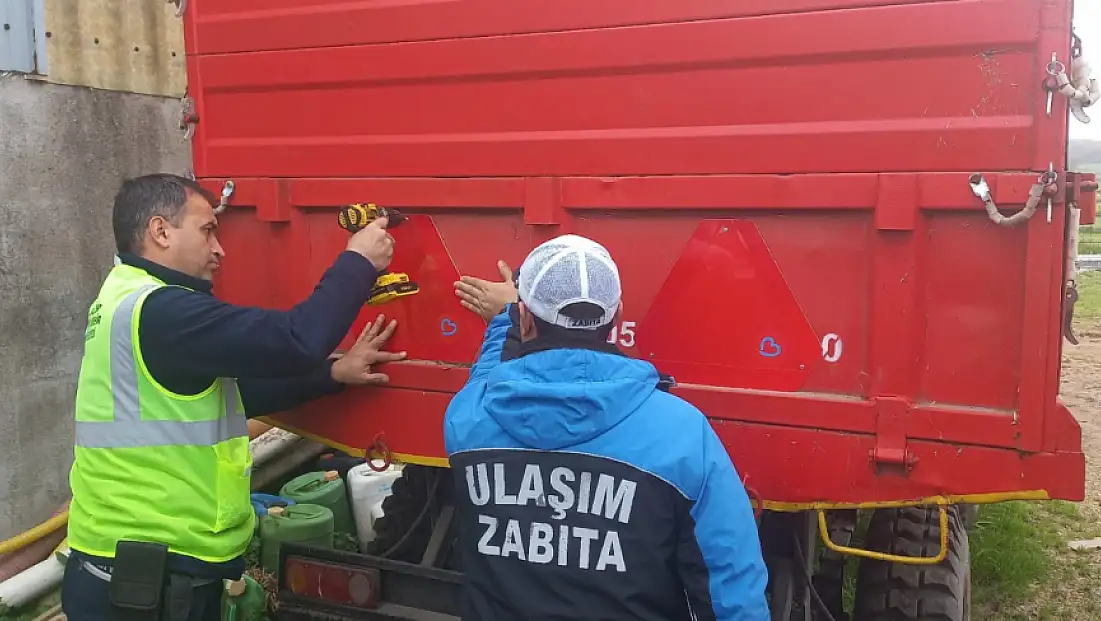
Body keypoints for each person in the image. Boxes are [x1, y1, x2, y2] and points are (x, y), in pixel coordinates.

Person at [63, 173, 407, 621]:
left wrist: (332, 373)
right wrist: (359, 262)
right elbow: (296, 339)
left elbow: (222, 397)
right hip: (145, 582)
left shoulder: (125, 298)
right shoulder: (164, 311)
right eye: (208, 230)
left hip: (133, 571)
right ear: (161, 231)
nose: (220, 249)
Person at [444, 234, 770, 621]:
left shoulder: (468, 419)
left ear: (526, 317)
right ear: (617, 318)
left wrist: (505, 319)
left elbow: (487, 376)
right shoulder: (681, 433)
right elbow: (729, 586)